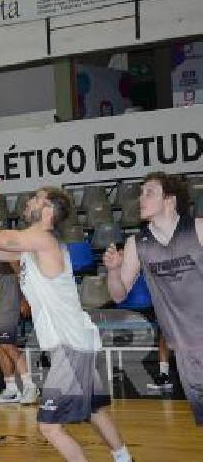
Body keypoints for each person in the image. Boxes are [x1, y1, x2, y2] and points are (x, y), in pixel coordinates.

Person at [0, 176, 132, 462]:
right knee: (94, 410)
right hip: (76, 342)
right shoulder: (33, 245)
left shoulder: (41, 239)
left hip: (69, 346)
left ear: (48, 211)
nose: (29, 201)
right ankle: (124, 458)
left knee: (48, 426)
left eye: (36, 198)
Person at [104, 171, 203, 425]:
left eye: (149, 192)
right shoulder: (137, 244)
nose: (141, 198)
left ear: (169, 200)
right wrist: (114, 270)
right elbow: (118, 295)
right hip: (185, 349)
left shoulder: (198, 229)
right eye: (141, 192)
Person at [0, 251, 39, 404]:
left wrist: (25, 298)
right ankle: (11, 389)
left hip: (8, 304)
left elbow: (22, 275)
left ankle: (30, 386)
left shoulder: (7, 251)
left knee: (7, 344)